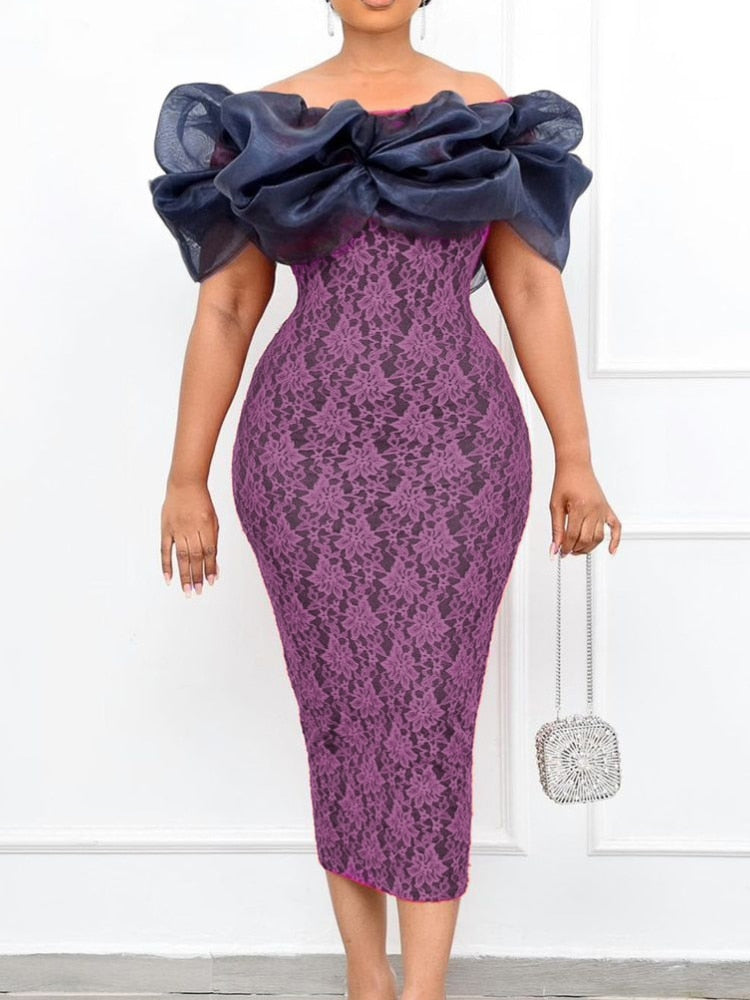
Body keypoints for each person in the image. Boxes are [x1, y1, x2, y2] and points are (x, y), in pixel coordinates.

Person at [148, 1, 621, 997]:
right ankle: (369, 981)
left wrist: (575, 454)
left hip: (461, 457)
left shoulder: (482, 113)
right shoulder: (266, 122)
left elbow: (531, 290)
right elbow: (229, 303)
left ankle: (425, 988)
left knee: (432, 716)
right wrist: (186, 478)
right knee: (342, 715)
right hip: (302, 458)